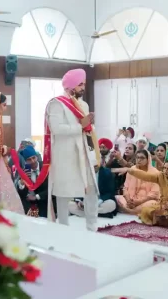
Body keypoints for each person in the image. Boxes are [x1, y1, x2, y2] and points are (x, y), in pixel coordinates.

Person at [45, 68, 99, 231]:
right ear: (71, 85)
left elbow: (86, 130)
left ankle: (92, 228)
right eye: (80, 84)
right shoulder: (56, 103)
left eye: (84, 84)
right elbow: (56, 129)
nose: (83, 87)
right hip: (66, 156)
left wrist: (89, 126)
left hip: (85, 155)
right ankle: (63, 229)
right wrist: (80, 126)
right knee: (64, 194)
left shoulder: (83, 104)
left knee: (92, 191)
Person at [115, 149, 160, 215]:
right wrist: (128, 200)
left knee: (153, 203)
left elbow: (154, 193)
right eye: (137, 157)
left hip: (146, 201)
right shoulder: (132, 170)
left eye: (142, 158)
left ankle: (131, 211)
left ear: (148, 159)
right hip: (131, 199)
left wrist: (139, 201)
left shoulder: (155, 173)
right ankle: (133, 209)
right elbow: (125, 188)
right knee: (116, 198)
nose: (139, 160)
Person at [13, 145, 48, 218]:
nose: (32, 161)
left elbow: (52, 188)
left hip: (45, 203)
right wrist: (22, 184)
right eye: (29, 159)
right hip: (29, 205)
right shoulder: (24, 172)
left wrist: (36, 196)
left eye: (33, 158)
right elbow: (21, 195)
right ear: (25, 161)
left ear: (37, 156)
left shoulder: (46, 168)